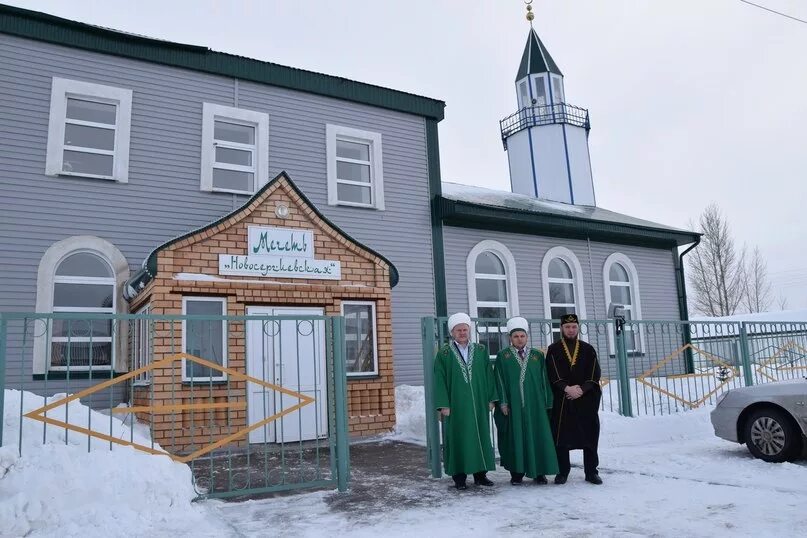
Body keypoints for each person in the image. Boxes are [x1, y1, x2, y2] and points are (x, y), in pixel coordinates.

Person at [434, 312, 497, 490]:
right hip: (456, 405)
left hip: (478, 402)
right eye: (458, 330)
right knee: (458, 438)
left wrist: (491, 398)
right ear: (452, 333)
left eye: (465, 329)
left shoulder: (481, 350)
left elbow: (488, 375)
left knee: (480, 436)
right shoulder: (444, 354)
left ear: (469, 330)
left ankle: (480, 475)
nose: (462, 333)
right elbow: (439, 380)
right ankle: (459, 478)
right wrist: (443, 403)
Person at [493, 317, 559, 485]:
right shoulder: (503, 356)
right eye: (516, 336)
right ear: (510, 338)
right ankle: (517, 472)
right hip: (513, 405)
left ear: (527, 337)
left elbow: (545, 380)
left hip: (535, 405)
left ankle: (539, 472)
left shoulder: (537, 356)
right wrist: (503, 402)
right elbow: (498, 379)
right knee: (516, 437)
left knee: (537, 436)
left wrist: (547, 402)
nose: (519, 339)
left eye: (522, 336)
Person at [545, 313, 603, 485]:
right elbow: (552, 373)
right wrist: (567, 388)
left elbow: (594, 373)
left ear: (578, 328)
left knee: (590, 435)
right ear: (561, 328)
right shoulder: (554, 349)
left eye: (574, 327)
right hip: (563, 399)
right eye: (567, 327)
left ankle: (591, 471)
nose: (571, 330)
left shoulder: (588, 349)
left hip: (586, 399)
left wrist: (582, 390)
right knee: (561, 436)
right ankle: (562, 471)